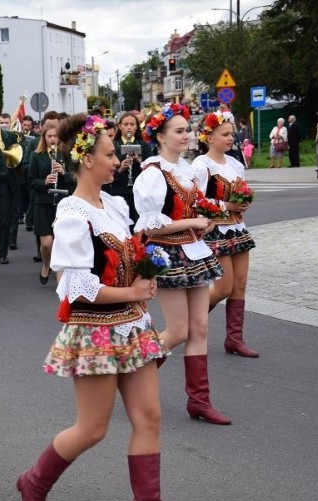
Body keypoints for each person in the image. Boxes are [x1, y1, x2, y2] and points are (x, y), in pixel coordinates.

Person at [17, 113, 195, 501]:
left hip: (133, 326)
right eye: (110, 154)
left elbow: (132, 254)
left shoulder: (114, 205)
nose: (118, 160)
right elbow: (76, 287)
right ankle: (33, 483)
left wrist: (149, 269)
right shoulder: (72, 213)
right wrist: (131, 290)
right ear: (85, 159)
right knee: (92, 429)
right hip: (96, 330)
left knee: (149, 417)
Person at [134, 103, 229, 425]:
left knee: (200, 328)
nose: (186, 135)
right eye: (178, 131)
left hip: (196, 252)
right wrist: (195, 222)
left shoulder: (187, 171)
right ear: (160, 136)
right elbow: (150, 227)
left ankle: (199, 402)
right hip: (170, 255)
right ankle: (135, 372)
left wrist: (207, 221)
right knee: (177, 330)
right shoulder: (152, 174)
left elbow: (195, 211)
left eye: (187, 130)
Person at [193, 110, 258, 357]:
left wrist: (243, 204)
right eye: (225, 134)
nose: (231, 138)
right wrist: (226, 207)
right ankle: (191, 322)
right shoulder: (202, 165)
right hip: (215, 229)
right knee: (223, 287)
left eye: (232, 134)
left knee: (240, 284)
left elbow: (242, 192)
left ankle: (234, 339)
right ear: (209, 137)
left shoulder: (236, 164)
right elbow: (197, 201)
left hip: (237, 227)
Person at [29, 123, 72, 287]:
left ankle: (60, 273)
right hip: (43, 202)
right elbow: (31, 181)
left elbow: (75, 179)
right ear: (44, 138)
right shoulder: (36, 156)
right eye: (49, 136)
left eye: (55, 136)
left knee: (61, 241)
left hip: (62, 203)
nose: (53, 139)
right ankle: (47, 264)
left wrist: (63, 173)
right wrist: (44, 182)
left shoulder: (66, 155)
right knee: (46, 243)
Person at [107, 112, 151, 222]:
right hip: (118, 190)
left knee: (137, 222)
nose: (129, 127)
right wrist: (120, 168)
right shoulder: (113, 145)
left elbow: (152, 168)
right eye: (126, 124)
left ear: (137, 127)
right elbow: (105, 170)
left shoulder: (143, 145)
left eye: (132, 124)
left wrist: (138, 160)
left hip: (139, 191)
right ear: (120, 126)